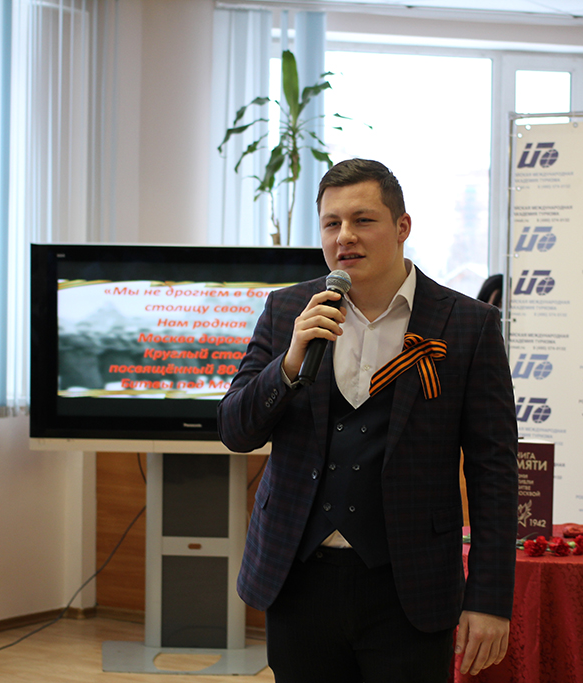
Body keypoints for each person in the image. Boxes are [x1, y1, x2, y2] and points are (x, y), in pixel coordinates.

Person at [218, 158, 518, 682]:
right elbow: (235, 431)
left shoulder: (469, 326)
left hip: (411, 586)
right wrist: (288, 363)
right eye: (331, 223)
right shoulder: (288, 311)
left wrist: (489, 598)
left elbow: (494, 472)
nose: (345, 237)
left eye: (363, 220)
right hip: (298, 577)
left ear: (402, 227)